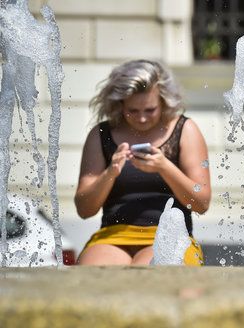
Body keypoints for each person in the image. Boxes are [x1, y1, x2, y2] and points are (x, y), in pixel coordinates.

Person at [74, 59, 211, 266]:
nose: (142, 119)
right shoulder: (101, 134)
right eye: (133, 111)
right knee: (92, 278)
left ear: (164, 101)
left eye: (150, 110)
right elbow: (84, 210)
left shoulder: (185, 129)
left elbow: (201, 203)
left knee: (150, 276)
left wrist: (164, 167)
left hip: (170, 237)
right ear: (119, 104)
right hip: (112, 237)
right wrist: (110, 173)